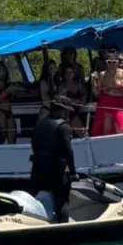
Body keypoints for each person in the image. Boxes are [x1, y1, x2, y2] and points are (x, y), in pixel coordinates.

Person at [29, 95, 77, 223]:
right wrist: (73, 172)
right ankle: (63, 228)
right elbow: (68, 151)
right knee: (62, 201)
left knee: (34, 200)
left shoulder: (40, 122)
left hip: (37, 169)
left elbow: (33, 143)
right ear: (63, 110)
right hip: (56, 171)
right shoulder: (64, 126)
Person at [91, 49, 123, 136]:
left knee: (121, 129)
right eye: (109, 62)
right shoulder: (102, 74)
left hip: (120, 106)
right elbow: (97, 93)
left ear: (117, 62)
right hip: (105, 105)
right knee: (106, 131)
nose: (112, 64)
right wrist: (93, 81)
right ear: (106, 62)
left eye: (114, 62)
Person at [57, 64, 88, 137]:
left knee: (83, 132)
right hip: (68, 112)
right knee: (81, 133)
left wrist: (83, 100)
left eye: (71, 72)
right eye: (66, 73)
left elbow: (84, 94)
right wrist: (73, 101)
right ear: (64, 74)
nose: (69, 74)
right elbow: (60, 98)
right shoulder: (62, 85)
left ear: (74, 73)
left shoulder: (78, 84)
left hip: (78, 110)